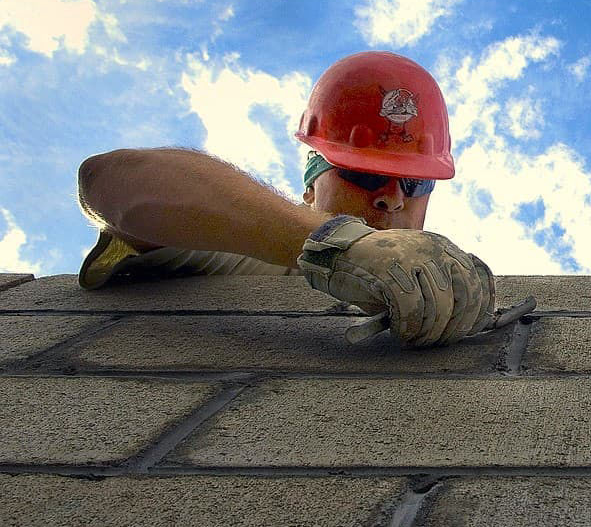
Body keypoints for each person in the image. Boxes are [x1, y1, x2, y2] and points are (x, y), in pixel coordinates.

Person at [76, 50, 495, 346]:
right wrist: (340, 244)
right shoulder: (236, 249)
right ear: (312, 185)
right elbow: (107, 179)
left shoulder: (441, 294)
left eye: (415, 183)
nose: (392, 199)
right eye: (363, 175)